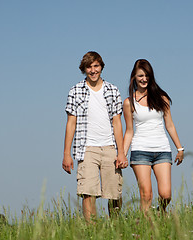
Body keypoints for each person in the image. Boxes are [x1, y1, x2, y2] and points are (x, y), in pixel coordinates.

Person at [62, 51, 128, 222]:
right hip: (87, 148)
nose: (93, 70)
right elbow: (71, 123)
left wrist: (121, 152)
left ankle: (115, 226)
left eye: (96, 66)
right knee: (88, 192)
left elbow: (117, 123)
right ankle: (92, 230)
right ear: (84, 69)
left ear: (101, 67)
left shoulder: (112, 90)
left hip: (109, 147)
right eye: (89, 67)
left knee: (114, 193)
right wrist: (66, 154)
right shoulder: (75, 91)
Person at [123, 59, 184, 213]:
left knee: (166, 194)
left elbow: (169, 125)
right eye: (140, 76)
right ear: (134, 78)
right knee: (146, 195)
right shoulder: (129, 103)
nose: (144, 79)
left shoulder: (161, 98)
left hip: (162, 150)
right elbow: (129, 131)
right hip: (140, 150)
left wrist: (180, 148)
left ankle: (160, 211)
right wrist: (122, 154)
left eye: (147, 76)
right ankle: (145, 228)